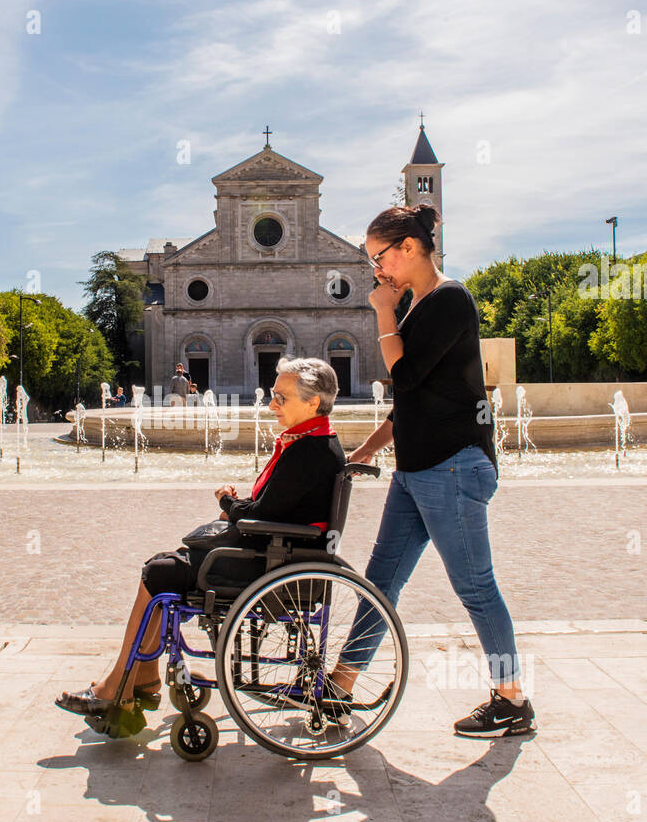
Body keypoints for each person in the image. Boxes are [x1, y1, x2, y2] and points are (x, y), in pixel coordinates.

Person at [56, 357, 346, 733]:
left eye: (280, 397)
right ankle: (138, 680)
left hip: (267, 562)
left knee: (159, 572)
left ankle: (123, 685)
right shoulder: (314, 443)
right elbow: (272, 507)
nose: (271, 404)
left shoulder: (310, 452)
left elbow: (260, 512)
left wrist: (226, 501)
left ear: (312, 403)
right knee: (161, 566)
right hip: (273, 553)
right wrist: (239, 508)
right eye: (273, 395)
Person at [334, 202, 535, 737]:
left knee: (475, 587)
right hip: (418, 471)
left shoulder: (449, 299)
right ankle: (342, 684)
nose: (376, 269)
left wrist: (381, 311)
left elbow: (405, 376)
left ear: (407, 248)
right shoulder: (420, 305)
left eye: (379, 256)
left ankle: (512, 699)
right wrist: (365, 452)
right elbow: (411, 405)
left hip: (451, 467)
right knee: (381, 581)